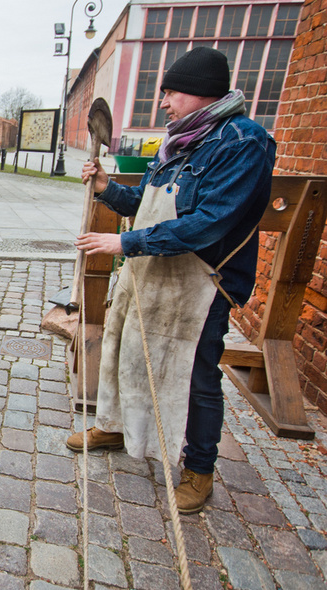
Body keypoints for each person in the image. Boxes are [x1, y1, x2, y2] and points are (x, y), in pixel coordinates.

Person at [65, 47, 276, 514]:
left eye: (171, 92)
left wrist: (125, 245)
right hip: (152, 274)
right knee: (125, 351)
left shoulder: (243, 142)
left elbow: (209, 223)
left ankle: (199, 470)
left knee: (198, 378)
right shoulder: (177, 141)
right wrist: (106, 187)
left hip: (202, 283)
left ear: (201, 92)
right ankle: (115, 425)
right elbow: (144, 201)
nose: (163, 102)